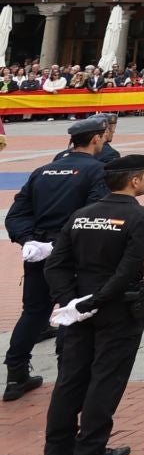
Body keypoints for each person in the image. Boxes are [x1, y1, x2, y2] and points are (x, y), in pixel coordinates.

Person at [39, 150, 144, 455]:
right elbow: (127, 268)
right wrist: (95, 302)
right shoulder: (140, 217)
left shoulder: (80, 215)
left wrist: (71, 303)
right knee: (106, 377)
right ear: (133, 181)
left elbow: (56, 264)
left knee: (70, 378)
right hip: (115, 308)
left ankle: (55, 454)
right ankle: (89, 451)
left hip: (79, 309)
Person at [6, 118, 109, 402]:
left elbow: (15, 215)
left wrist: (29, 240)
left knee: (34, 313)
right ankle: (69, 376)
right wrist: (58, 244)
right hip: (72, 253)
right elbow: (92, 213)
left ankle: (15, 374)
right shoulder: (99, 171)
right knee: (71, 310)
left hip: (38, 250)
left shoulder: (42, 171)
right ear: (97, 139)